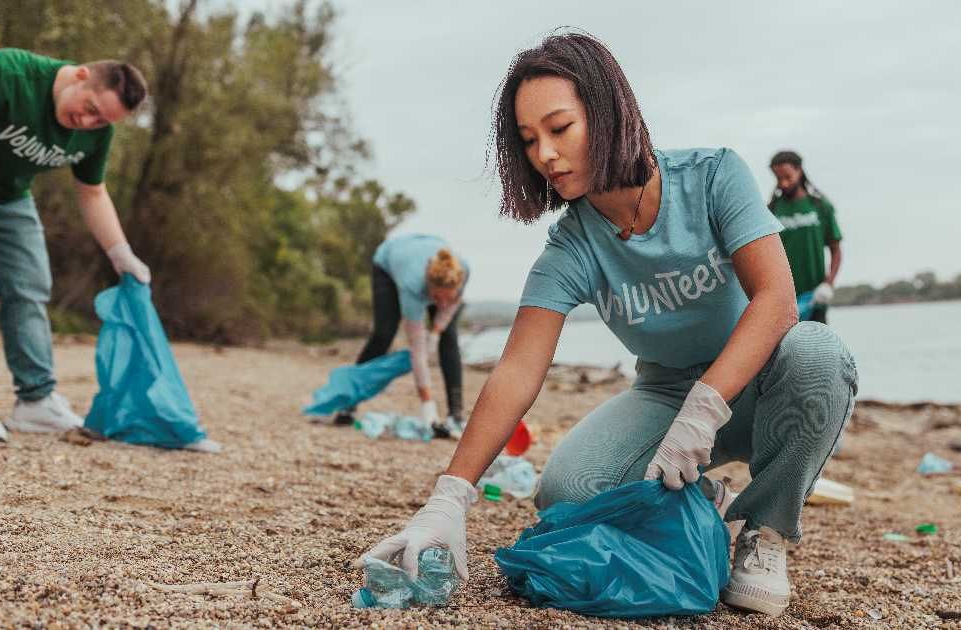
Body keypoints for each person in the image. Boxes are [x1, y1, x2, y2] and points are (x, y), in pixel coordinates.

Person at [355, 33, 857, 618]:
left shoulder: (713, 176)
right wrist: (449, 499)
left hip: (760, 385)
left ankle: (763, 530)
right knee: (565, 492)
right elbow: (517, 370)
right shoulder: (571, 247)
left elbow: (776, 301)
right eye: (528, 140)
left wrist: (705, 407)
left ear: (608, 111)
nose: (544, 153)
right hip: (665, 395)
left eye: (559, 128)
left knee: (820, 356)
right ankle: (704, 503)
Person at [0, 48, 151, 445]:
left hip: (11, 198)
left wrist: (120, 253)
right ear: (80, 75)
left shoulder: (97, 132)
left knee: (30, 289)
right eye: (91, 108)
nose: (89, 122)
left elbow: (93, 193)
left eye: (103, 120)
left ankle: (35, 400)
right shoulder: (1, 77)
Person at [337, 234, 469, 438]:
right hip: (387, 264)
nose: (441, 304)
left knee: (449, 337)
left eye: (447, 297)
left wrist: (436, 332)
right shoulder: (413, 286)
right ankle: (348, 401)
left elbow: (450, 308)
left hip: (427, 246)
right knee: (383, 334)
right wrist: (427, 405)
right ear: (429, 288)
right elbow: (417, 352)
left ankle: (456, 415)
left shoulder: (463, 271)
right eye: (436, 297)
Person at [768, 151, 842, 323]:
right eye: (779, 179)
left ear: (799, 171)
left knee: (815, 347)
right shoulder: (771, 211)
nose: (784, 183)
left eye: (788, 177)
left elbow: (836, 250)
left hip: (815, 298)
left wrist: (828, 284)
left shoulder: (820, 207)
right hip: (783, 301)